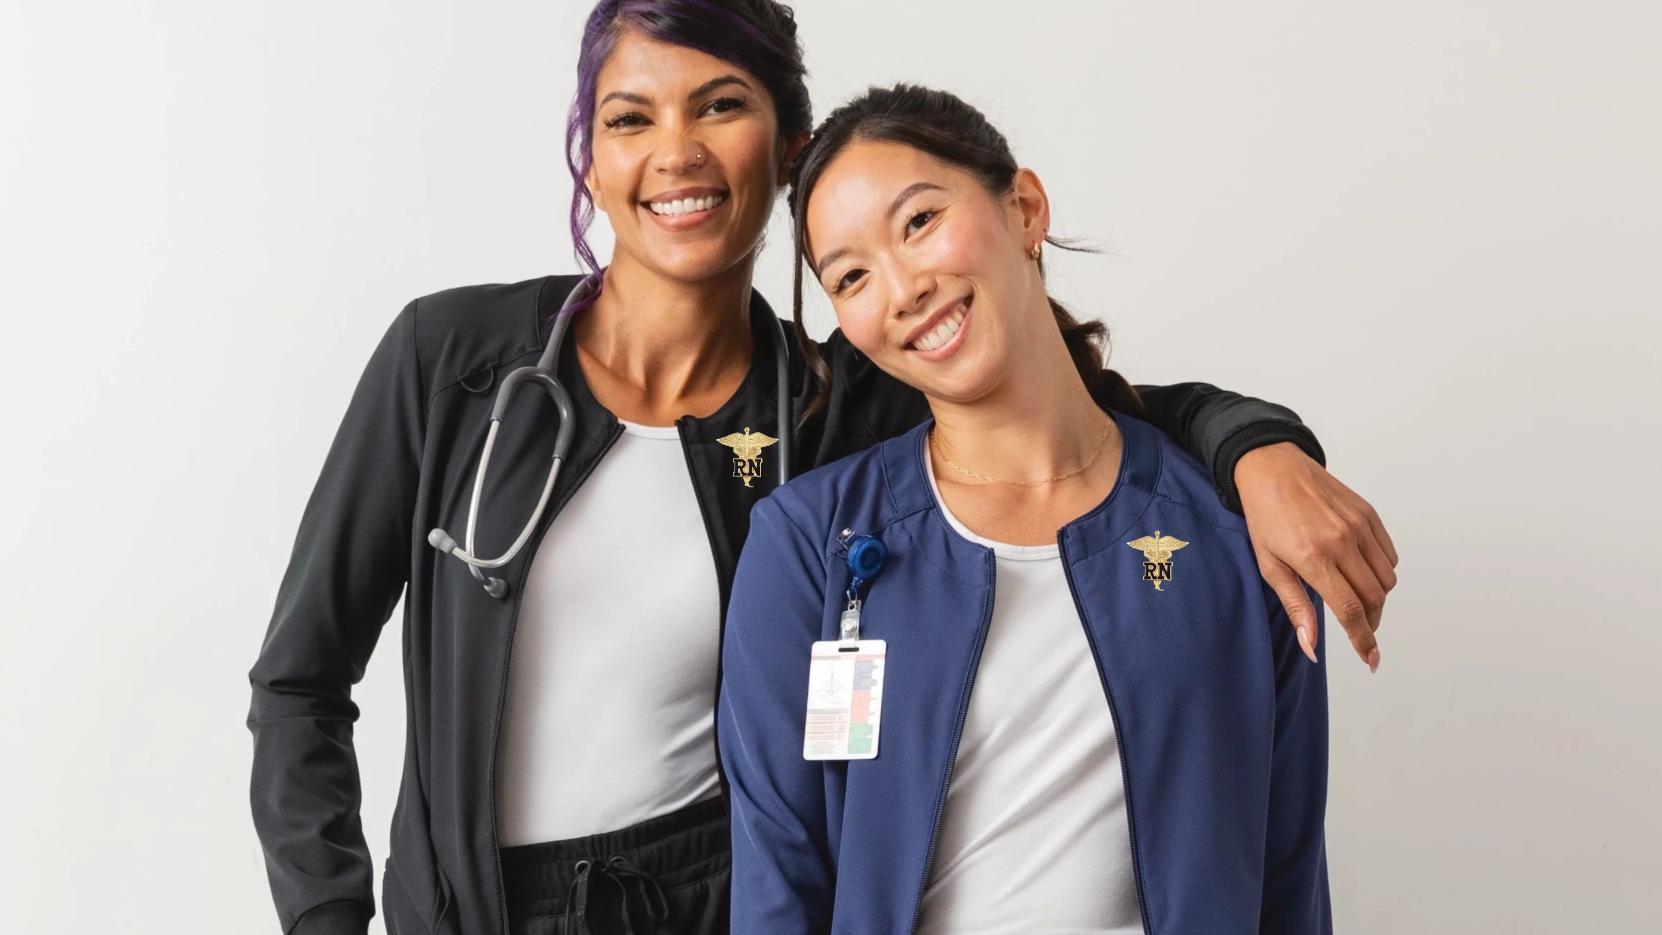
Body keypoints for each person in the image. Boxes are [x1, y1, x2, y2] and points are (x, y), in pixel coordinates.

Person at [247, 3, 1389, 934]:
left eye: (722, 105)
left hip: (714, 892)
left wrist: (1259, 450)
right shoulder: (451, 366)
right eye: (631, 117)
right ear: (590, 157)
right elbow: (299, 680)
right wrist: (328, 920)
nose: (677, 152)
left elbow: (1089, 415)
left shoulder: (843, 403)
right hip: (480, 905)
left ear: (786, 151)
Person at [719, 84, 1334, 934]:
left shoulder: (1235, 528)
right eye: (851, 275)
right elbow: (778, 882)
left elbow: (1290, 868)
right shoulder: (806, 542)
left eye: (919, 222)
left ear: (1025, 209)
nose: (901, 288)